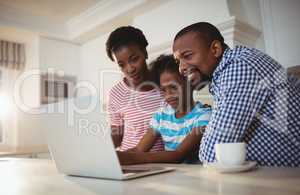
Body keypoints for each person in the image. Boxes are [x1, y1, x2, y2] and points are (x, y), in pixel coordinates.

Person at [172, 22, 300, 167]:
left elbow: (211, 155)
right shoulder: (229, 70)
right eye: (178, 61)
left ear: (215, 49)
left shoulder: (239, 68)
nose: (181, 68)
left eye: (187, 56)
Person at [117, 55, 211, 165]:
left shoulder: (204, 115)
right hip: (169, 176)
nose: (168, 95)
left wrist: (130, 159)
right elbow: (138, 150)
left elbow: (178, 154)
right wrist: (116, 157)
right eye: (164, 90)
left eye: (174, 87)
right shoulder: (161, 115)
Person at [106, 26, 164, 151]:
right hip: (130, 161)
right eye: (122, 65)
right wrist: (98, 150)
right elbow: (117, 135)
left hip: (163, 163)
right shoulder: (116, 93)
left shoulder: (165, 84)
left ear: (145, 52)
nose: (130, 69)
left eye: (134, 59)